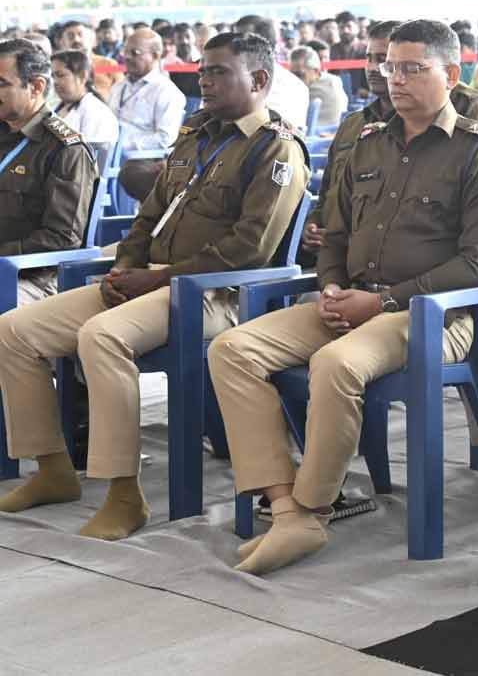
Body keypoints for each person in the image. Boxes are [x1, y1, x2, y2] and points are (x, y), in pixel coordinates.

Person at [207, 20, 478, 575]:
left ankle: (312, 508)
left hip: (432, 316)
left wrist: (384, 302)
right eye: (390, 66)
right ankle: (284, 506)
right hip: (351, 301)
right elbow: (337, 235)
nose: (394, 78)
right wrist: (329, 284)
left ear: (451, 73)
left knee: (335, 363)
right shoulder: (369, 143)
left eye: (412, 68)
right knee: (231, 349)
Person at [0, 32, 308, 538]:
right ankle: (53, 469)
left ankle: (125, 493)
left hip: (216, 295)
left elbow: (249, 249)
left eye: (218, 72)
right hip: (150, 284)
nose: (204, 81)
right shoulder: (197, 135)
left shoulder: (275, 148)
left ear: (259, 80)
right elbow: (148, 217)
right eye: (203, 71)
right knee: (15, 330)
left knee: (102, 336)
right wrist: (127, 263)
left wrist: (159, 277)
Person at [303, 21, 478, 263]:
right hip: (338, 258)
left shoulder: (466, 111)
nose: (375, 68)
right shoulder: (357, 127)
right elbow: (329, 196)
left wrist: (379, 300)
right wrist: (313, 225)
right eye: (384, 64)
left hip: (410, 274)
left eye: (383, 60)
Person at [0, 40, 98, 303]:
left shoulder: (64, 149)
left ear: (36, 86)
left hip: (29, 277)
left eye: (2, 84)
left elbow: (62, 238)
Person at [108, 28, 188, 201]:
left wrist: (124, 144)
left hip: (140, 161)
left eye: (134, 53)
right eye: (125, 52)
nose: (127, 57)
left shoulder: (167, 92)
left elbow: (166, 139)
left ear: (155, 55)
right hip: (111, 154)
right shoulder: (118, 87)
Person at [235, 15, 310, 128]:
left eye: (239, 41)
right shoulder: (298, 84)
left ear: (261, 45)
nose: (233, 46)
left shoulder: (243, 83)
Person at [51, 50, 119, 165]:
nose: (55, 82)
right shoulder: (60, 106)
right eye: (53, 76)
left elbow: (86, 157)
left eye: (61, 75)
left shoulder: (95, 112)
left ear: (82, 76)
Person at [60, 20, 123, 102]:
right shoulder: (58, 68)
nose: (76, 40)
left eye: (80, 35)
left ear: (93, 41)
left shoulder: (110, 65)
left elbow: (123, 93)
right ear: (62, 43)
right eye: (70, 36)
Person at [289, 46, 348, 129]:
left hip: (313, 136)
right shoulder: (336, 80)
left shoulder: (307, 89)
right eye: (291, 75)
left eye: (299, 75)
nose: (294, 79)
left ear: (316, 71)